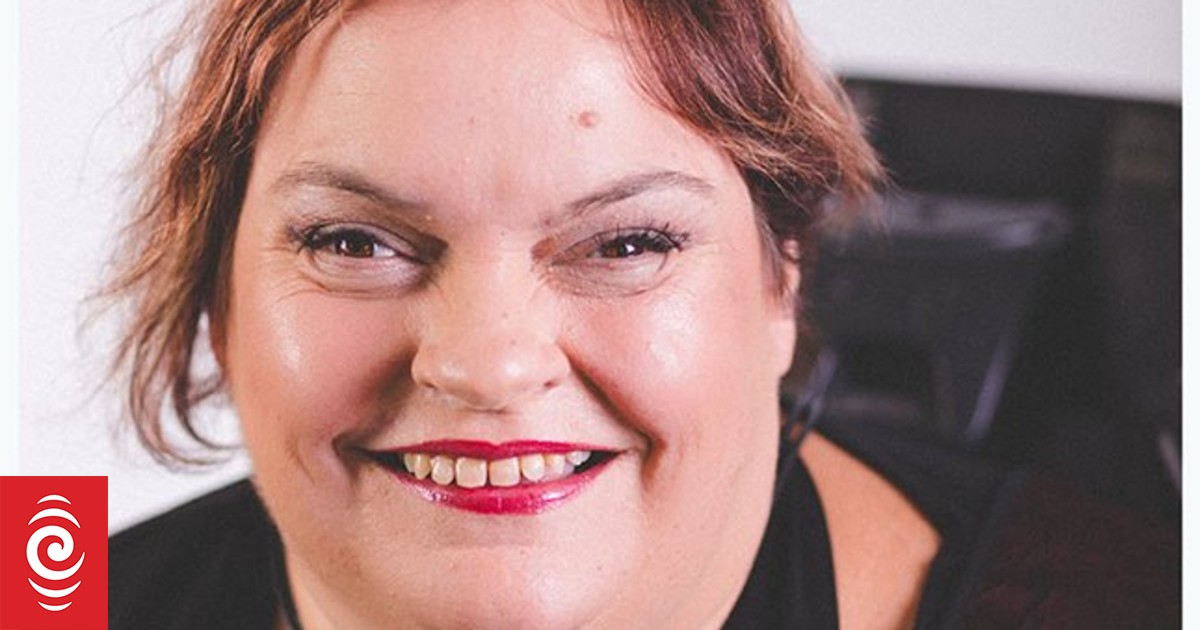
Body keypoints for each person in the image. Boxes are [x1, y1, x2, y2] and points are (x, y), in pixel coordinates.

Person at [105, 1, 1178, 628]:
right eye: (353, 242)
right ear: (215, 299)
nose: (489, 363)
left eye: (626, 244)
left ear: (781, 281)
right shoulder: (52, 582)